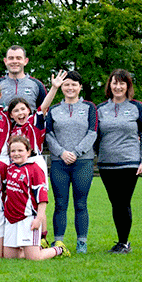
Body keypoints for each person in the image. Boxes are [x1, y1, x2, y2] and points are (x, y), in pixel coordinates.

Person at [96, 69, 142, 254]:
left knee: (123, 202)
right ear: (109, 85)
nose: (118, 87)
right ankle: (121, 242)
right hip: (106, 165)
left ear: (128, 86)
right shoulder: (100, 109)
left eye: (122, 83)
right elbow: (94, 137)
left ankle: (124, 243)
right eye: (115, 83)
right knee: (115, 203)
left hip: (129, 164)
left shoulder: (137, 107)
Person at [45, 70, 97, 254]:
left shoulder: (90, 107)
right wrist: (62, 153)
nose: (70, 88)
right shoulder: (54, 110)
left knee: (81, 204)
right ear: (62, 87)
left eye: (74, 84)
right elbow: (48, 134)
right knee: (60, 204)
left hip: (83, 162)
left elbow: (93, 132)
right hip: (59, 163)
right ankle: (58, 241)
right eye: (66, 84)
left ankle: (81, 242)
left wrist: (75, 152)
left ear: (80, 87)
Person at [3, 135, 70, 260]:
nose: (16, 154)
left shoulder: (35, 169)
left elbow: (42, 199)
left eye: (20, 150)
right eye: (13, 151)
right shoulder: (10, 168)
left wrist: (39, 219)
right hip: (11, 219)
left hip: (28, 218)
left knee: (34, 258)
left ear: (28, 152)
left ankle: (59, 249)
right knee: (9, 257)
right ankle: (29, 249)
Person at [0, 45, 47, 110]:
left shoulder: (37, 85)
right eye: (11, 58)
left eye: (18, 58)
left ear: (25, 61)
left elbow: (44, 110)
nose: (14, 61)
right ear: (5, 61)